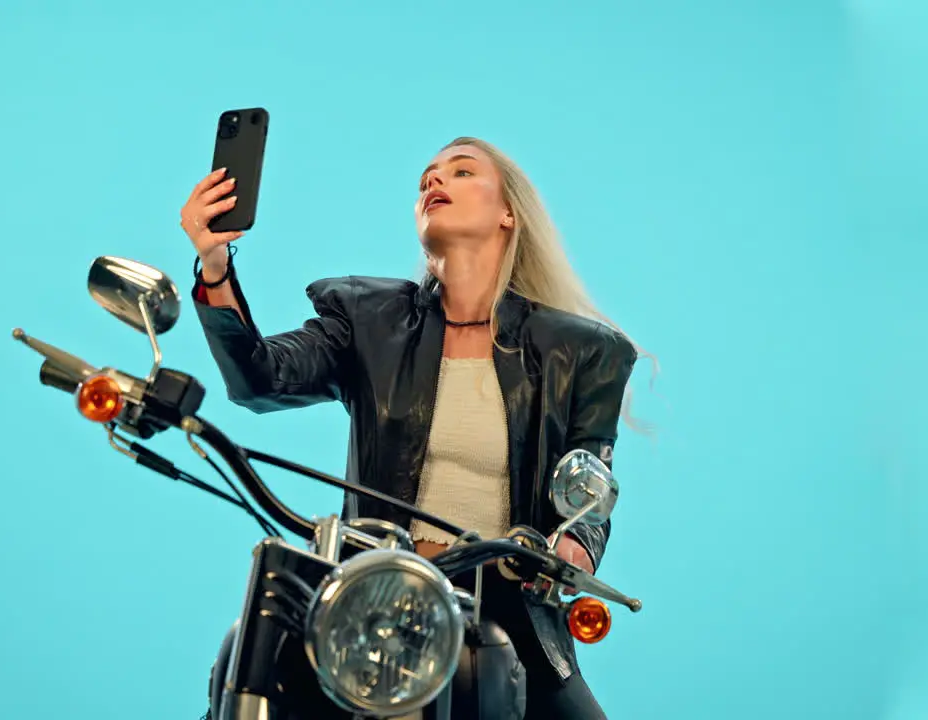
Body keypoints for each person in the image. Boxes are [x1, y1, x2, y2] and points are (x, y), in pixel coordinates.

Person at [181, 137, 641, 719]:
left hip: (510, 608)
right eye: (426, 176)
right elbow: (259, 377)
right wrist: (215, 265)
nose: (433, 182)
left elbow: (590, 481)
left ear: (508, 214)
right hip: (376, 599)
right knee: (256, 662)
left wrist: (575, 545)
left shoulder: (580, 352)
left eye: (461, 171)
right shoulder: (368, 320)